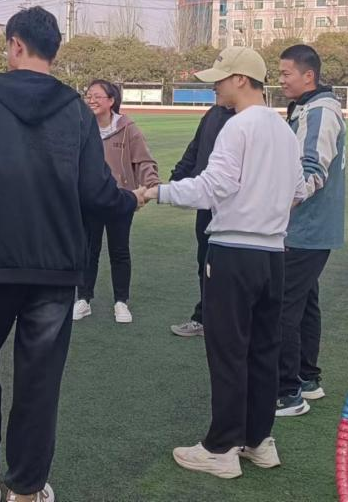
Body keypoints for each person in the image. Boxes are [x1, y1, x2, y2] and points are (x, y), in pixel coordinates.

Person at [0, 7, 140, 502]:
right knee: (39, 382)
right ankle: (27, 490)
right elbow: (97, 192)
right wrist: (130, 200)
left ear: (15, 44)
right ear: (54, 49)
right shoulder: (76, 110)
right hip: (54, 268)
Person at [141, 46, 303, 480]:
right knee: (263, 350)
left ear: (240, 80)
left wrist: (157, 192)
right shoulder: (284, 129)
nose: (214, 86)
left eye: (220, 78)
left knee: (228, 351)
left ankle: (221, 447)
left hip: (234, 252)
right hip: (273, 254)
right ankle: (258, 440)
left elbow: (212, 187)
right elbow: (299, 190)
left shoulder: (238, 126)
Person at [274, 44, 347, 417]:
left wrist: (276, 206)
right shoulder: (309, 108)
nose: (281, 80)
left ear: (309, 76)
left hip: (305, 228)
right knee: (303, 304)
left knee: (282, 305)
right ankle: (307, 378)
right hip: (311, 228)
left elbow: (311, 170)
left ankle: (287, 392)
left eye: (286, 73)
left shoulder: (319, 112)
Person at [72, 78, 159, 324]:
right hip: (90, 199)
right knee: (88, 250)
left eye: (97, 96)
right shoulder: (82, 128)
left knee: (119, 251)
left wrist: (151, 184)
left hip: (121, 199)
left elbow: (143, 160)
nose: (91, 100)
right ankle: (83, 299)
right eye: (89, 95)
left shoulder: (128, 128)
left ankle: (121, 302)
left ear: (111, 101)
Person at [167, 103, 232, 337]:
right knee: (204, 262)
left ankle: (227, 322)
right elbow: (195, 148)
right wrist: (176, 179)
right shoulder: (213, 113)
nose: (216, 89)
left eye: (219, 85)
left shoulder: (250, 118)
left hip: (234, 206)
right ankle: (205, 318)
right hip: (206, 202)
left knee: (230, 266)